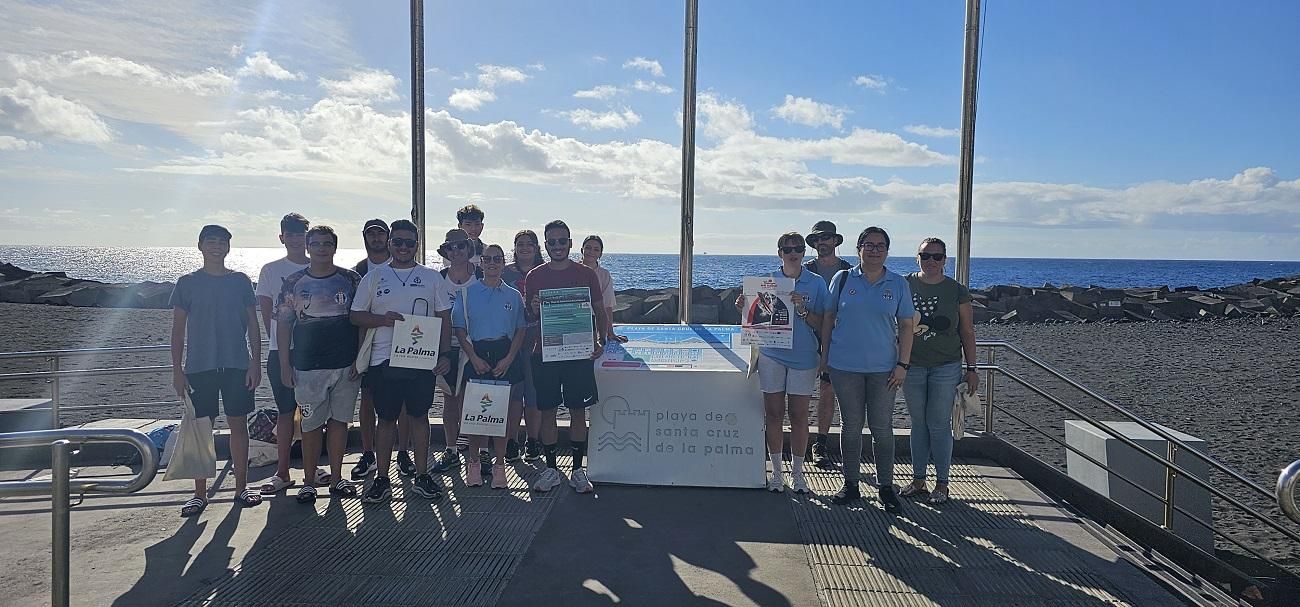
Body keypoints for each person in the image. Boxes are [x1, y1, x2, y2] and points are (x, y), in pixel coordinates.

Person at [350, 220, 453, 503]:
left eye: (410, 242)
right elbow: (356, 315)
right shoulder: (373, 277)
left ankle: (422, 476)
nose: (404, 247)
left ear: (417, 245)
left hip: (422, 361)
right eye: (398, 242)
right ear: (390, 243)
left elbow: (444, 318)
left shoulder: (433, 278)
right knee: (386, 419)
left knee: (419, 417)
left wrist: (444, 355)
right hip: (384, 359)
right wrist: (382, 320)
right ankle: (382, 479)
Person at [819, 226, 915, 513]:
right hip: (844, 366)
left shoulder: (898, 283)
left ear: (887, 250)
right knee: (850, 427)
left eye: (880, 245)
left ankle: (886, 486)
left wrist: (903, 364)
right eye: (869, 245)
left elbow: (908, 326)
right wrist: (825, 356)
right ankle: (851, 484)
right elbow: (828, 317)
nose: (874, 250)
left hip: (884, 370)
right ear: (859, 248)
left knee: (882, 429)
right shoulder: (843, 278)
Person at [170, 224, 263, 515]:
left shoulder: (240, 281)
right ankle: (200, 493)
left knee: (238, 425)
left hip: (237, 364)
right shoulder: (186, 283)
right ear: (200, 246)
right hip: (199, 366)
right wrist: (177, 369)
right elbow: (178, 330)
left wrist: (255, 362)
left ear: (228, 247)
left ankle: (241, 487)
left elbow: (252, 324)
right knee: (202, 429)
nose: (217, 246)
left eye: (222, 242)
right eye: (211, 241)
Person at [735, 232, 829, 494]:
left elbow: (824, 323)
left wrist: (803, 310)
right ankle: (776, 473)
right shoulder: (767, 282)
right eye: (787, 248)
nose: (793, 252)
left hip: (804, 358)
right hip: (771, 356)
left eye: (798, 248)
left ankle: (798, 474)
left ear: (803, 252)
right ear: (779, 253)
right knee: (774, 415)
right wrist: (744, 306)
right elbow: (756, 319)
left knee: (799, 416)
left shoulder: (817, 283)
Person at [276, 226, 363, 502]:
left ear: (335, 247)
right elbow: (283, 325)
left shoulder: (351, 279)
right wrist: (284, 365)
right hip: (307, 366)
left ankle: (337, 478)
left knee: (340, 423)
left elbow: (360, 321)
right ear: (308, 247)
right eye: (316, 244)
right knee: (311, 425)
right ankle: (309, 481)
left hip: (345, 364)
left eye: (327, 244)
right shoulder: (293, 281)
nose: (322, 249)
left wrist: (360, 359)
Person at [524, 220, 606, 493]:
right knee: (547, 411)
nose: (557, 246)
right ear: (544, 245)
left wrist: (601, 339)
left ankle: (577, 470)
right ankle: (550, 470)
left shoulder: (586, 274)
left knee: (578, 412)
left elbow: (599, 309)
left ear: (571, 243)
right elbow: (528, 317)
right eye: (552, 242)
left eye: (562, 241)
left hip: (578, 354)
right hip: (545, 353)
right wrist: (534, 309)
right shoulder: (534, 276)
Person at [901, 237, 979, 505]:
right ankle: (918, 479)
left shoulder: (956, 290)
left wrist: (972, 368)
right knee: (918, 424)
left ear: (945, 259)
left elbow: (967, 331)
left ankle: (943, 483)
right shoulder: (904, 284)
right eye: (925, 256)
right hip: (911, 365)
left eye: (937, 256)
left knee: (938, 424)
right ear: (917, 258)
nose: (931, 261)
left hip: (946, 365)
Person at [256, 213, 323, 495]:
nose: (296, 238)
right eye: (291, 233)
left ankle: (313, 468)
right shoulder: (270, 270)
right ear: (281, 236)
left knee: (315, 413)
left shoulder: (321, 267)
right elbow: (266, 312)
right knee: (286, 413)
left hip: (316, 354)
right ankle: (282, 471)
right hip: (282, 353)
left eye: (301, 233)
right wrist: (282, 353)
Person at [453, 244, 528, 489]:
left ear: (503, 262)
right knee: (477, 416)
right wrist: (473, 357)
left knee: (501, 416)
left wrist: (509, 358)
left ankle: (499, 466)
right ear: (481, 263)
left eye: (497, 259)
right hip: (478, 354)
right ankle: (473, 463)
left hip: (504, 354)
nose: (493, 263)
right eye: (488, 259)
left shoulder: (514, 295)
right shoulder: (467, 293)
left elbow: (520, 330)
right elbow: (460, 330)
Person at [428, 229, 484, 477]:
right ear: (446, 252)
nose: (457, 251)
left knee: (475, 399)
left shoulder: (481, 276)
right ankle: (451, 450)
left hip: (477, 345)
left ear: (468, 249)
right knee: (449, 399)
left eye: (461, 246)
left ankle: (479, 451)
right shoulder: (438, 278)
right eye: (451, 247)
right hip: (447, 346)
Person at [350, 218, 397, 481]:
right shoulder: (356, 272)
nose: (376, 238)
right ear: (365, 237)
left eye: (381, 234)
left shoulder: (402, 268)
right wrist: (357, 354)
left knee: (400, 403)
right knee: (366, 400)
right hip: (368, 346)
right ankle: (368, 453)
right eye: (371, 234)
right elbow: (355, 315)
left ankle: (402, 454)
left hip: (401, 348)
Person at [804, 221, 851, 470]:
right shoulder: (805, 270)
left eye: (826, 238)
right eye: (817, 239)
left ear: (835, 241)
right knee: (797, 393)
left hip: (837, 340)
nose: (822, 242)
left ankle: (820, 443)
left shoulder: (848, 271)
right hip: (806, 337)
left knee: (827, 390)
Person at [502, 229, 545, 462]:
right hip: (510, 340)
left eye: (530, 243)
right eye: (520, 243)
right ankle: (511, 440)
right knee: (513, 393)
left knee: (534, 393)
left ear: (537, 247)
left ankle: (533, 440)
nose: (525, 247)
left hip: (538, 340)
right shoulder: (505, 272)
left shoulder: (545, 272)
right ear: (514, 247)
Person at [580, 235, 627, 345]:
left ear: (600, 254)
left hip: (596, 327)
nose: (591, 252)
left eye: (596, 249)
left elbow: (607, 306)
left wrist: (610, 333)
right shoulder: (572, 270)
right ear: (582, 250)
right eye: (588, 248)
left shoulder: (604, 275)